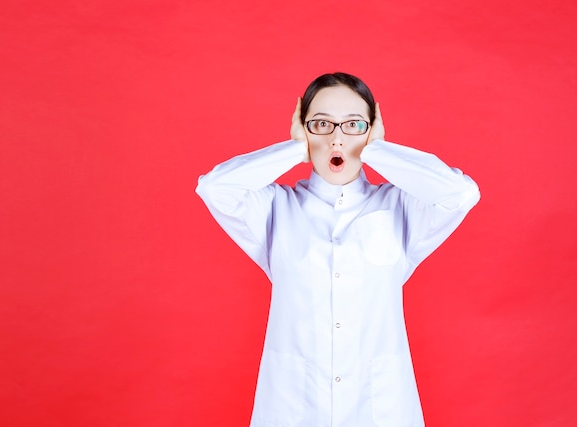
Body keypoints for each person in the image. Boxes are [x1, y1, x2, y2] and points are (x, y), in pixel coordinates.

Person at [195, 72, 480, 427]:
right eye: (321, 124)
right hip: (292, 405)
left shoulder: (400, 207)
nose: (337, 138)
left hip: (380, 406)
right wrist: (296, 148)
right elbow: (214, 188)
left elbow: (462, 194)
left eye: (353, 124)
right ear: (302, 126)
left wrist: (376, 149)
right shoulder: (275, 210)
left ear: (372, 127)